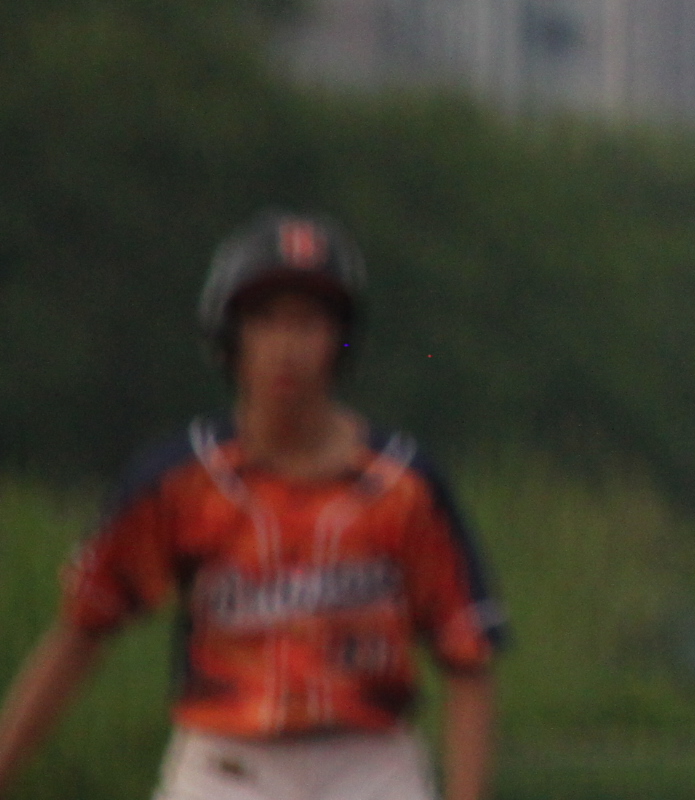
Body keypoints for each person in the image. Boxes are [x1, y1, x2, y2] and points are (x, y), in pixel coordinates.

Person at [0, 212, 504, 800]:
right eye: (265, 320)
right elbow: (83, 628)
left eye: (309, 322)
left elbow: (467, 655)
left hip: (369, 764)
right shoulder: (180, 481)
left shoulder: (402, 484)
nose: (287, 346)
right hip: (226, 765)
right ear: (229, 335)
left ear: (340, 339)